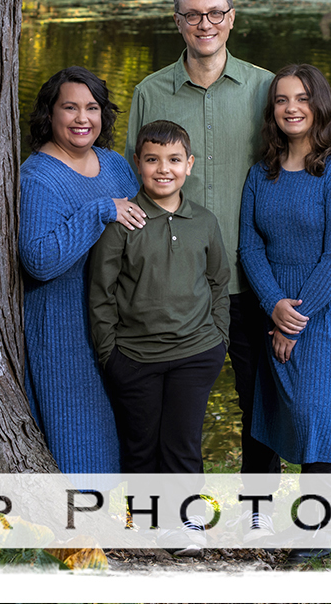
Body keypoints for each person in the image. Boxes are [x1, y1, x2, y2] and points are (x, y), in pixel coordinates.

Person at [124, 0, 331, 537]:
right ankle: (168, 516)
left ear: (232, 18)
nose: (205, 24)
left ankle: (257, 514)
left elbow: (309, 133)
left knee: (260, 401)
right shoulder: (149, 92)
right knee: (171, 406)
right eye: (193, 14)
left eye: (215, 12)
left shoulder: (265, 86)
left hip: (249, 284)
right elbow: (128, 175)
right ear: (178, 22)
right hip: (172, 284)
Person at [238, 63, 331, 558]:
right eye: (282, 99)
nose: (292, 108)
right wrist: (273, 305)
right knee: (294, 411)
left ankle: (325, 532)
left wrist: (294, 323)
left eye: (302, 98)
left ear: (319, 104)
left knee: (318, 410)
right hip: (281, 301)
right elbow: (250, 247)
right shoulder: (261, 174)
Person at [18, 66, 147, 474]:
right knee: (81, 447)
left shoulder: (114, 164)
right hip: (65, 331)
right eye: (70, 107)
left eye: (92, 108)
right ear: (50, 113)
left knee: (127, 437)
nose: (82, 118)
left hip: (116, 328)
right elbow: (39, 261)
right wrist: (100, 210)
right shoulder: (38, 177)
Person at [88, 119, 230, 477]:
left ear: (189, 165)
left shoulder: (204, 222)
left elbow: (218, 282)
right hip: (135, 358)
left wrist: (219, 340)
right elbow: (102, 293)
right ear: (138, 163)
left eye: (174, 160)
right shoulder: (123, 222)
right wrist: (110, 355)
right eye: (152, 159)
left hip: (196, 354)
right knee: (140, 448)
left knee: (183, 446)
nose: (163, 169)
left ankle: (184, 511)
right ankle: (145, 511)